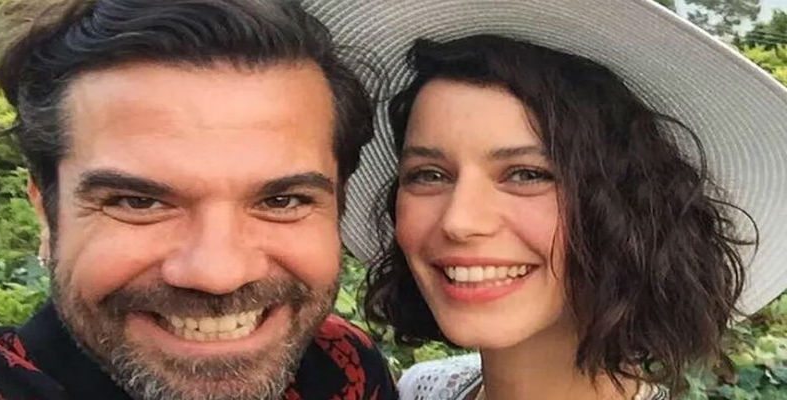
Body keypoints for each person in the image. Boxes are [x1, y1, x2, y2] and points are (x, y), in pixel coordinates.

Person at [301, 0, 787, 399]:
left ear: (630, 209)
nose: (459, 221)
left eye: (527, 174)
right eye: (429, 175)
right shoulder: (415, 389)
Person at [0, 1, 396, 399]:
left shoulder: (344, 366)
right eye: (138, 202)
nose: (217, 275)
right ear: (46, 212)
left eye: (282, 201)